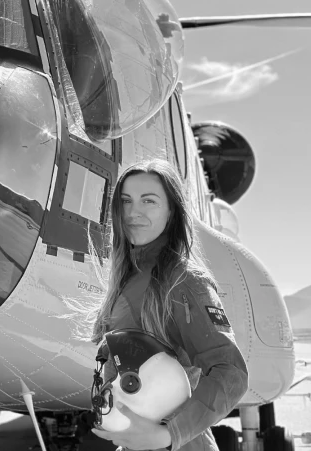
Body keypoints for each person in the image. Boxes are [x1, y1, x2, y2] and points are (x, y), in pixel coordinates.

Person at [87, 159, 248, 451]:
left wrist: (168, 435)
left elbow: (231, 373)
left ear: (172, 212)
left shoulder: (184, 281)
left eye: (149, 201)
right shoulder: (126, 280)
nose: (133, 212)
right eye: (126, 201)